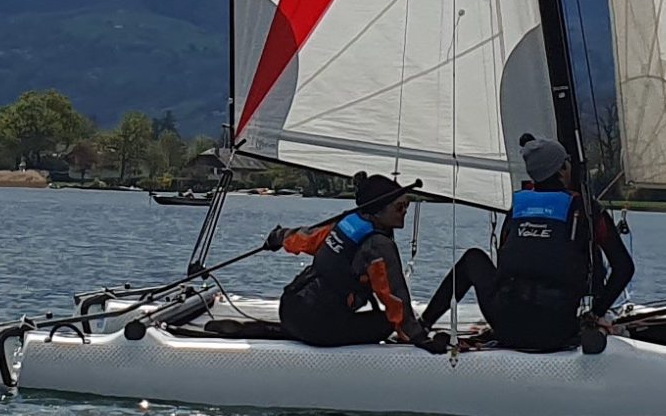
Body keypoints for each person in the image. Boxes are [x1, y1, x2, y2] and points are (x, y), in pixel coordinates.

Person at [420, 133, 634, 353]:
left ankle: (421, 325)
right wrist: (595, 313)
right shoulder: (587, 211)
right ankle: (588, 329)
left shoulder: (519, 208)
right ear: (561, 170)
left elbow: (504, 260)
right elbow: (624, 268)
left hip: (505, 324)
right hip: (557, 329)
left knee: (473, 258)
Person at [268, 174, 450, 352]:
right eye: (399, 207)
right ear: (378, 211)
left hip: (289, 310)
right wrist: (421, 339)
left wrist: (276, 237)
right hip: (317, 328)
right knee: (386, 324)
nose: (405, 212)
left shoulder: (345, 223)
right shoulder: (379, 246)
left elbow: (303, 237)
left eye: (407, 205)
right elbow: (395, 297)